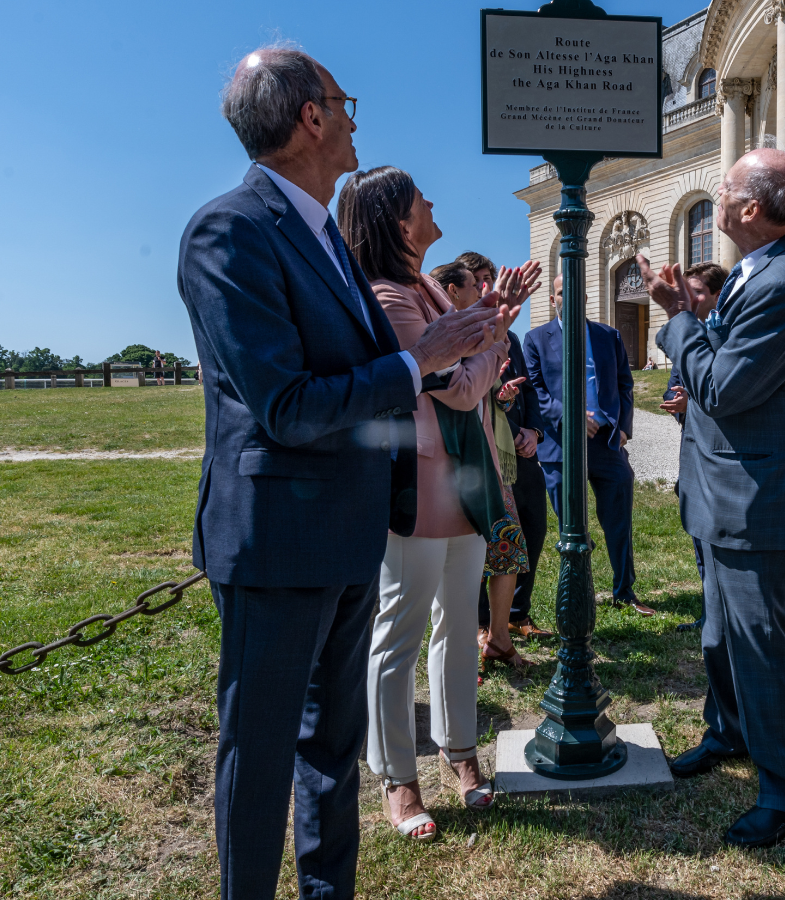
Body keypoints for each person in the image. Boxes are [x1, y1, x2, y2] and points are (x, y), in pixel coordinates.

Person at [178, 47, 517, 899]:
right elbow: (286, 403)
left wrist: (462, 338)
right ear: (310, 117)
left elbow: (387, 370)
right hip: (278, 541)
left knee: (331, 745)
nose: (357, 118)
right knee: (260, 757)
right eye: (345, 100)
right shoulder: (231, 230)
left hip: (349, 528)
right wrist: (419, 363)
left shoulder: (326, 233)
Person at [637, 148, 785, 849]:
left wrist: (676, 319)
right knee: (720, 633)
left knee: (758, 646)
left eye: (722, 189)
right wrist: (695, 314)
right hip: (728, 489)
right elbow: (726, 371)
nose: (714, 197)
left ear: (749, 210)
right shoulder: (760, 272)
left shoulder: (782, 282)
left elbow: (721, 387)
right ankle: (727, 733)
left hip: (761, 498)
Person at [339, 169, 540, 840]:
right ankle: (399, 778)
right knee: (398, 633)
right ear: (400, 222)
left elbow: (468, 356)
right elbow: (457, 387)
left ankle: (461, 756)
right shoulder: (390, 296)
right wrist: (497, 335)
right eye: (421, 200)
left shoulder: (426, 286)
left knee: (459, 623)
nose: (433, 204)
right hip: (418, 486)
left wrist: (494, 323)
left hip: (466, 483)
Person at [429, 260, 538, 672]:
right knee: (462, 560)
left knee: (507, 549)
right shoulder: (443, 331)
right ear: (453, 291)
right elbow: (460, 391)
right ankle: (464, 644)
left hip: (488, 459)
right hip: (450, 466)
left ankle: (500, 637)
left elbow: (486, 398)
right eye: (476, 284)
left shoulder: (483, 332)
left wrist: (504, 393)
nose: (483, 290)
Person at [525, 274, 655, 616]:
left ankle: (625, 591)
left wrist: (624, 429)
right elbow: (536, 392)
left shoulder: (608, 335)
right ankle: (579, 587)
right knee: (571, 525)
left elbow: (625, 383)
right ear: (552, 299)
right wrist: (569, 416)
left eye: (574, 291)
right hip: (560, 447)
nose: (566, 297)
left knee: (619, 521)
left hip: (607, 444)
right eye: (559, 292)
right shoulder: (536, 339)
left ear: (584, 297)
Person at [457, 252, 554, 647]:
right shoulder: (461, 331)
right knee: (487, 537)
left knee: (532, 528)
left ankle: (517, 614)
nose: (486, 286)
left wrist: (533, 431)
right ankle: (483, 623)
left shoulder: (511, 336)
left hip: (521, 451)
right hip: (484, 451)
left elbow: (526, 388)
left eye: (489, 279)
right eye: (478, 279)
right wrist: (497, 393)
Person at [658, 261, 728, 633]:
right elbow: (674, 384)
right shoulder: (689, 335)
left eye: (696, 292)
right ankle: (709, 615)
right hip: (693, 459)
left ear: (717, 294)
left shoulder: (729, 332)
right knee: (700, 541)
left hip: (724, 464)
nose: (689, 299)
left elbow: (729, 394)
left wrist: (694, 404)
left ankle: (725, 618)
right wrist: (676, 400)